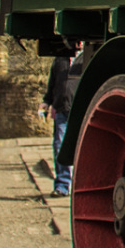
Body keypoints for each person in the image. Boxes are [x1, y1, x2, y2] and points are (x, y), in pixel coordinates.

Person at [41, 47, 82, 196]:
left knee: (81, 148)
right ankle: (62, 186)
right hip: (62, 109)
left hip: (80, 111)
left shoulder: (86, 58)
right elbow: (53, 82)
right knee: (59, 147)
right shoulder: (60, 59)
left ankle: (80, 187)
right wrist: (47, 101)